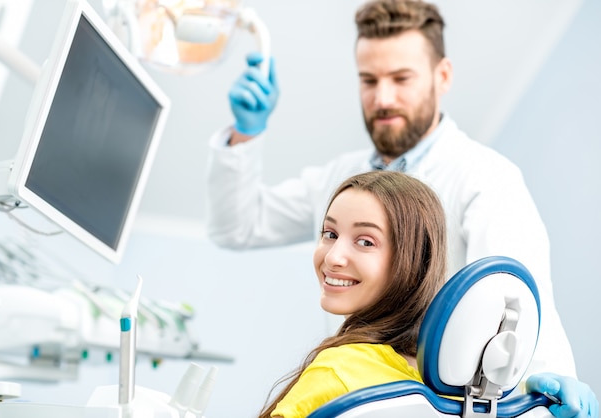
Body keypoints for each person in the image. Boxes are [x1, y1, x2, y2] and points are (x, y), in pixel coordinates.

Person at [206, 0, 598, 415]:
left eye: (401, 78)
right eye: (369, 80)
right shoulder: (341, 176)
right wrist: (246, 135)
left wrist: (548, 390)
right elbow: (238, 227)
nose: (383, 98)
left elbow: (516, 306)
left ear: (441, 76)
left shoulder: (485, 178)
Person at [261, 170, 447, 418]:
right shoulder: (450, 390)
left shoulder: (338, 371)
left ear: (414, 262)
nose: (332, 257)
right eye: (330, 234)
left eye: (366, 242)